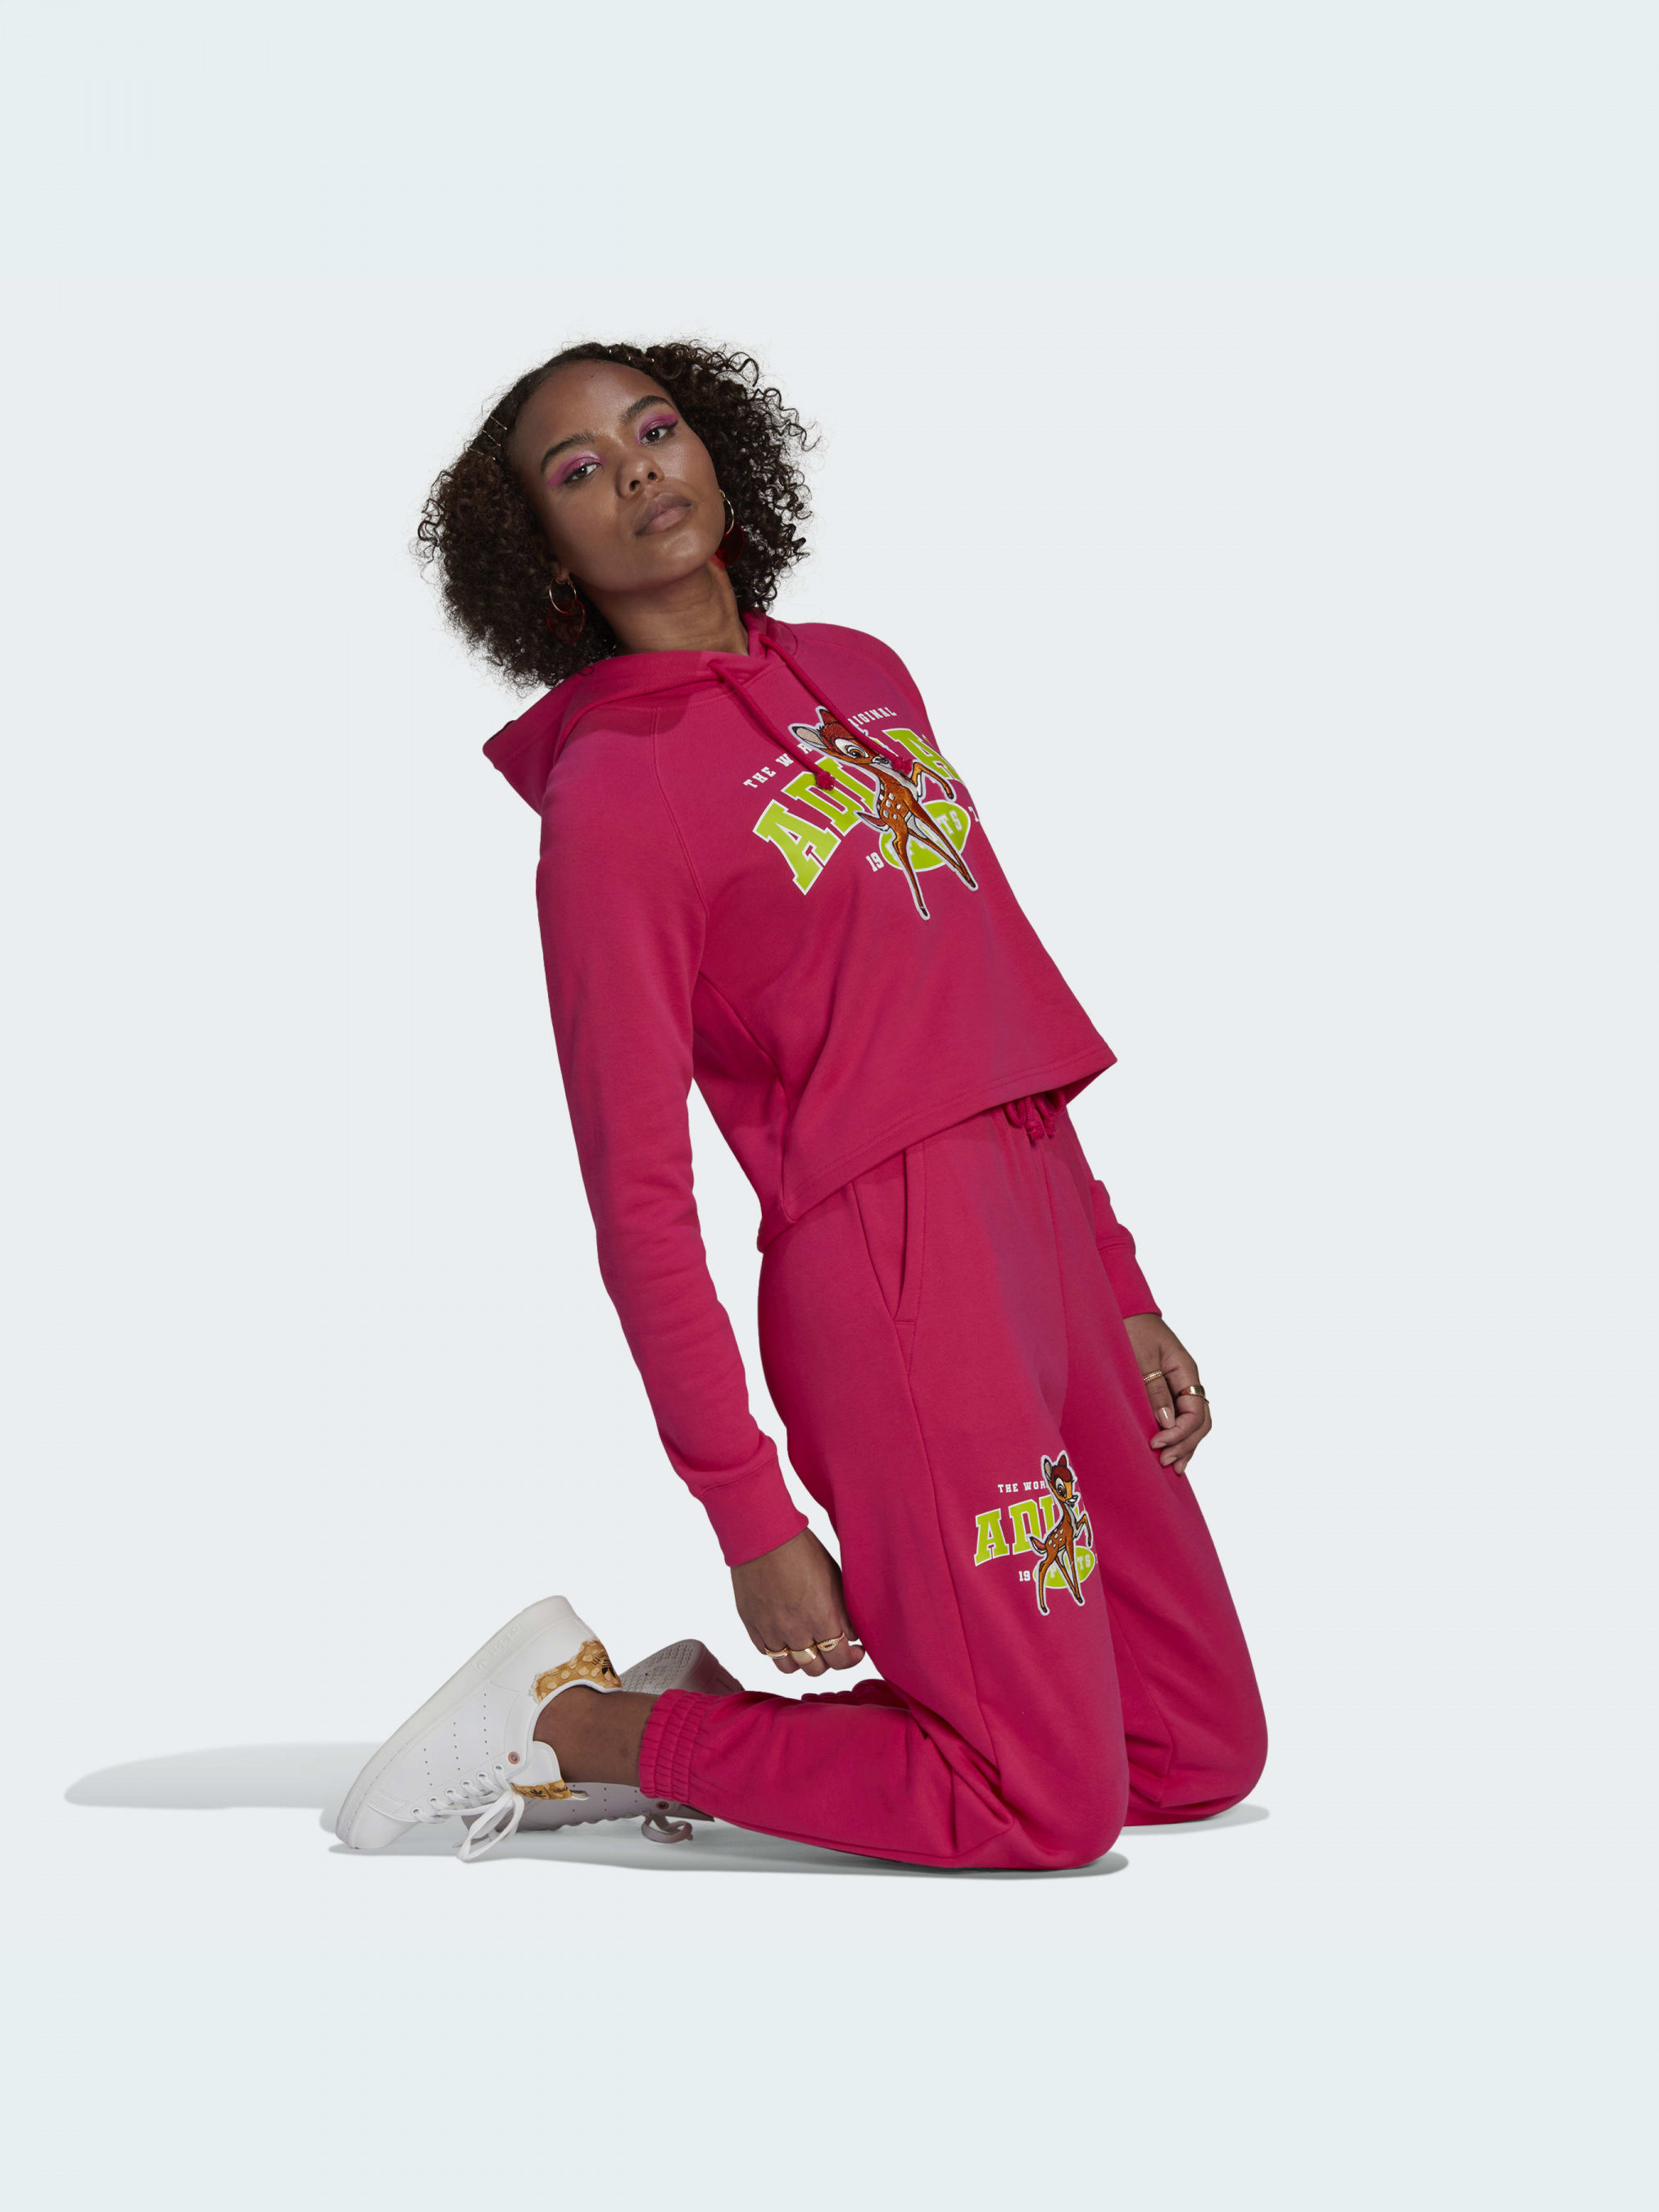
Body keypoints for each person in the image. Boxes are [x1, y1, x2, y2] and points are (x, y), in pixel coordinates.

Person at [334, 341, 1268, 1871]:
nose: (636, 468)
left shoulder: (864, 672)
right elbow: (638, 1194)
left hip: (1035, 1217)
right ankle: (585, 1730)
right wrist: (749, 1513)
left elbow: (992, 1008)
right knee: (1045, 1807)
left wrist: (1117, 1283)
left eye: (653, 427)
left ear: (718, 450)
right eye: (578, 470)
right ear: (544, 555)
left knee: (1191, 1749)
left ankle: (734, 1729)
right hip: (894, 1275)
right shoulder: (613, 797)